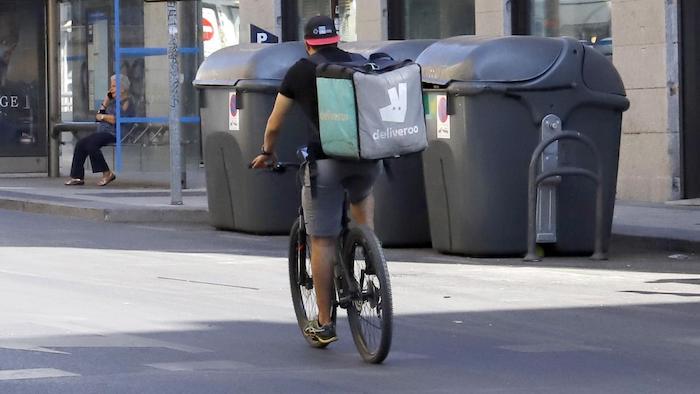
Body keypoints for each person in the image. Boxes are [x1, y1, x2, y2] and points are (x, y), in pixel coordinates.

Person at [250, 15, 380, 345]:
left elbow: (275, 124)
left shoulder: (301, 71)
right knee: (360, 202)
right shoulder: (361, 63)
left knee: (321, 240)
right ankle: (370, 263)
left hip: (327, 162)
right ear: (337, 40)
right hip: (367, 160)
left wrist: (267, 151)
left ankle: (324, 322)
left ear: (308, 44)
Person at [65, 75, 133, 186]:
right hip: (103, 132)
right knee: (81, 144)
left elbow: (116, 119)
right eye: (111, 86)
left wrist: (103, 117)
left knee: (91, 145)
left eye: (114, 86)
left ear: (123, 88)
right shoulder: (113, 102)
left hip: (115, 133)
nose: (111, 89)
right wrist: (105, 101)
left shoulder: (127, 102)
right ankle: (77, 176)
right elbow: (98, 115)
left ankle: (107, 173)